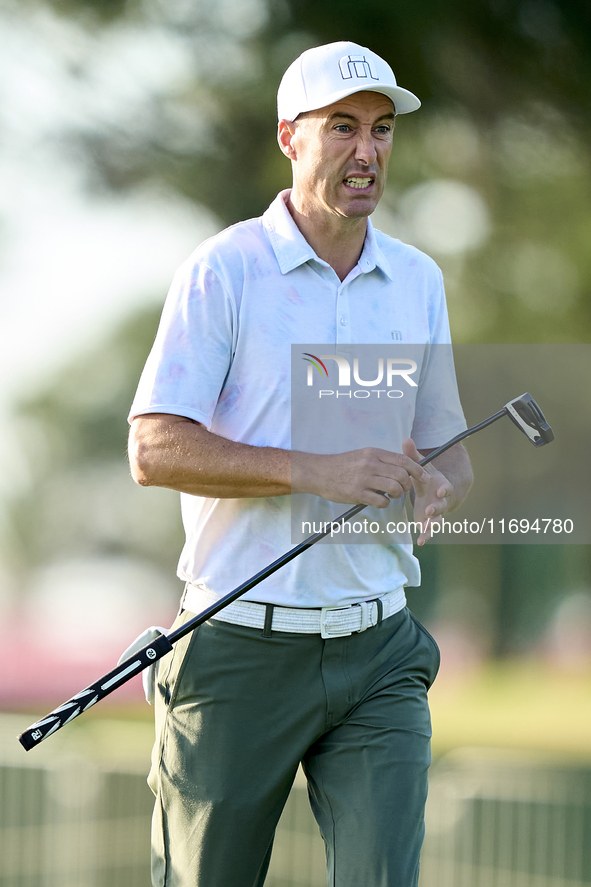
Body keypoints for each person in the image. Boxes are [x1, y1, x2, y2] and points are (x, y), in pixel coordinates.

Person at [128, 41, 473, 887]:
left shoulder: (416, 279)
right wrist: (316, 469)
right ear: (291, 136)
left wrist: (436, 478)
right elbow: (153, 445)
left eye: (383, 130)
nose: (368, 151)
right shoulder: (225, 270)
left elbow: (445, 443)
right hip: (236, 648)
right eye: (343, 127)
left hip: (378, 648)